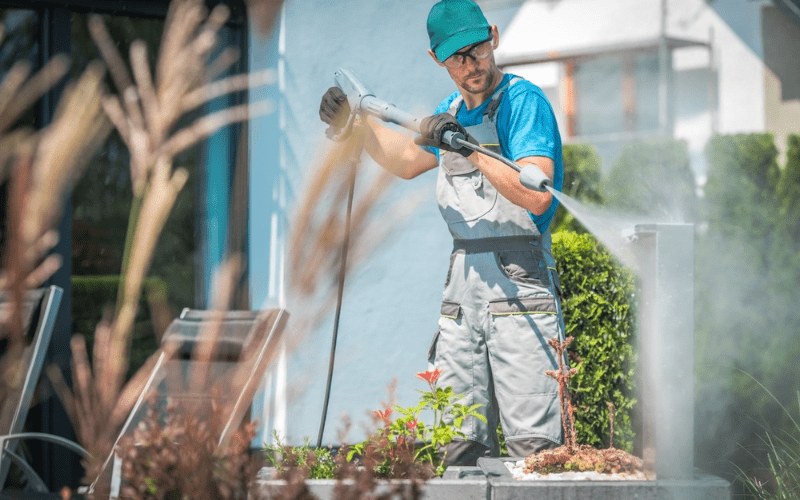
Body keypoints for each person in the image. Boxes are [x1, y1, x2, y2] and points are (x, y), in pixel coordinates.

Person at [319, 0, 566, 465]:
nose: (471, 65)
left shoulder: (522, 102)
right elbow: (407, 160)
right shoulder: (450, 109)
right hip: (462, 285)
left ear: (493, 36)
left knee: (534, 447)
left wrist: (467, 147)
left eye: (477, 50)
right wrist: (356, 124)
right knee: (457, 440)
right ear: (438, 60)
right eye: (458, 58)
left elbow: (538, 195)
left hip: (520, 281)